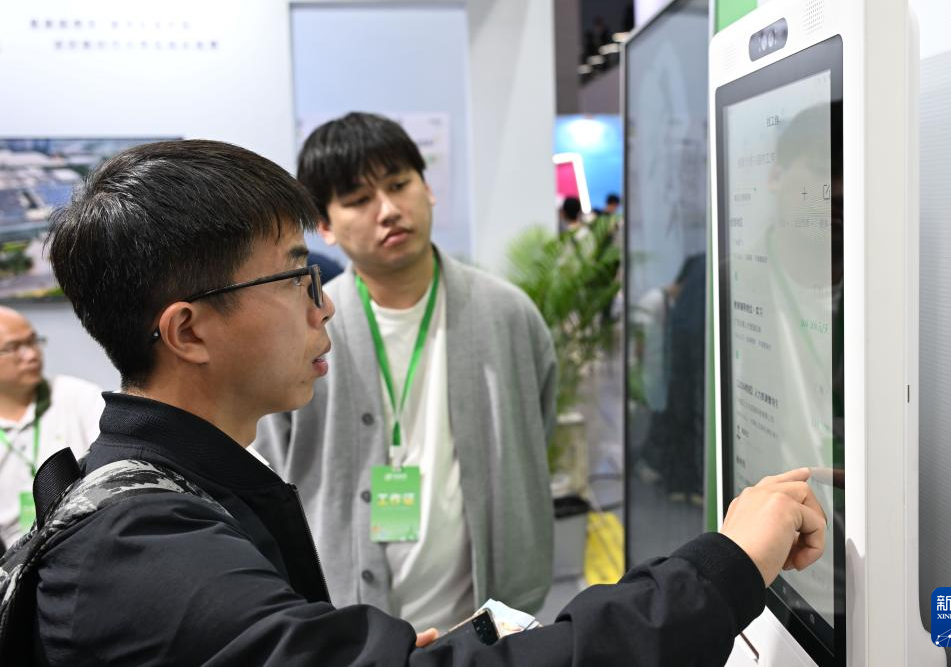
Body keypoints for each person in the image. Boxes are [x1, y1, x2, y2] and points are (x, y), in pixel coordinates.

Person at [32, 138, 826, 665]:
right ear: (188, 331)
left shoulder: (182, 496)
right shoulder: (145, 551)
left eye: (400, 183)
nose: (322, 305)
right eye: (294, 277)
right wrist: (723, 567)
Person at [254, 112, 556, 631]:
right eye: (358, 199)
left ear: (427, 188)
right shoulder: (303, 330)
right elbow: (277, 469)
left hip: (493, 622)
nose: (389, 210)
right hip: (351, 626)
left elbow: (535, 429)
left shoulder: (507, 313)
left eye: (399, 185)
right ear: (325, 225)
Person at [0, 306, 103, 550]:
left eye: (33, 341)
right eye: (14, 347)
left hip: (80, 537)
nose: (31, 355)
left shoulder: (81, 397)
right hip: (10, 556)